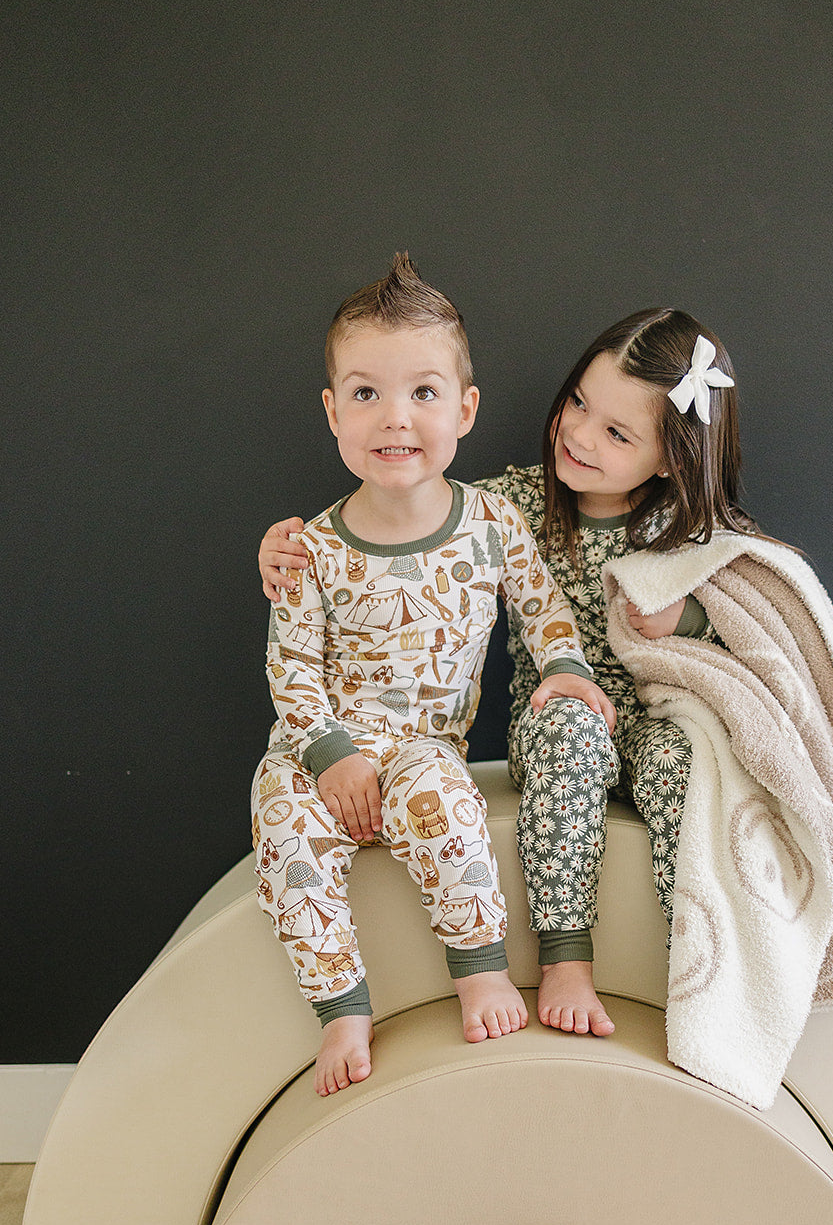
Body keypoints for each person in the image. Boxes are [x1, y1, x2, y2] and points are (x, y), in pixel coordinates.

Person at [260, 306, 763, 1044]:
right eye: (578, 404)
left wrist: (685, 619)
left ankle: (711, 977)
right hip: (554, 720)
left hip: (656, 718)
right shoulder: (515, 505)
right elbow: (414, 496)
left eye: (617, 433)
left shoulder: (691, 531)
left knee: (689, 773)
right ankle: (558, 960)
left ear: (670, 459)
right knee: (566, 728)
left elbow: (765, 615)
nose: (581, 435)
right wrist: (281, 550)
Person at [254, 253, 614, 1096]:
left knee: (449, 808)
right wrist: (329, 757)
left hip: (424, 745)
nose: (395, 418)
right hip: (321, 745)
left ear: (464, 409)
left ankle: (479, 969)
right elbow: (291, 669)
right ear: (332, 411)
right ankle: (340, 1005)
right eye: (365, 393)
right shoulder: (311, 548)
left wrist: (564, 666)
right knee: (280, 827)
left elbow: (542, 606)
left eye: (422, 392)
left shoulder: (491, 522)